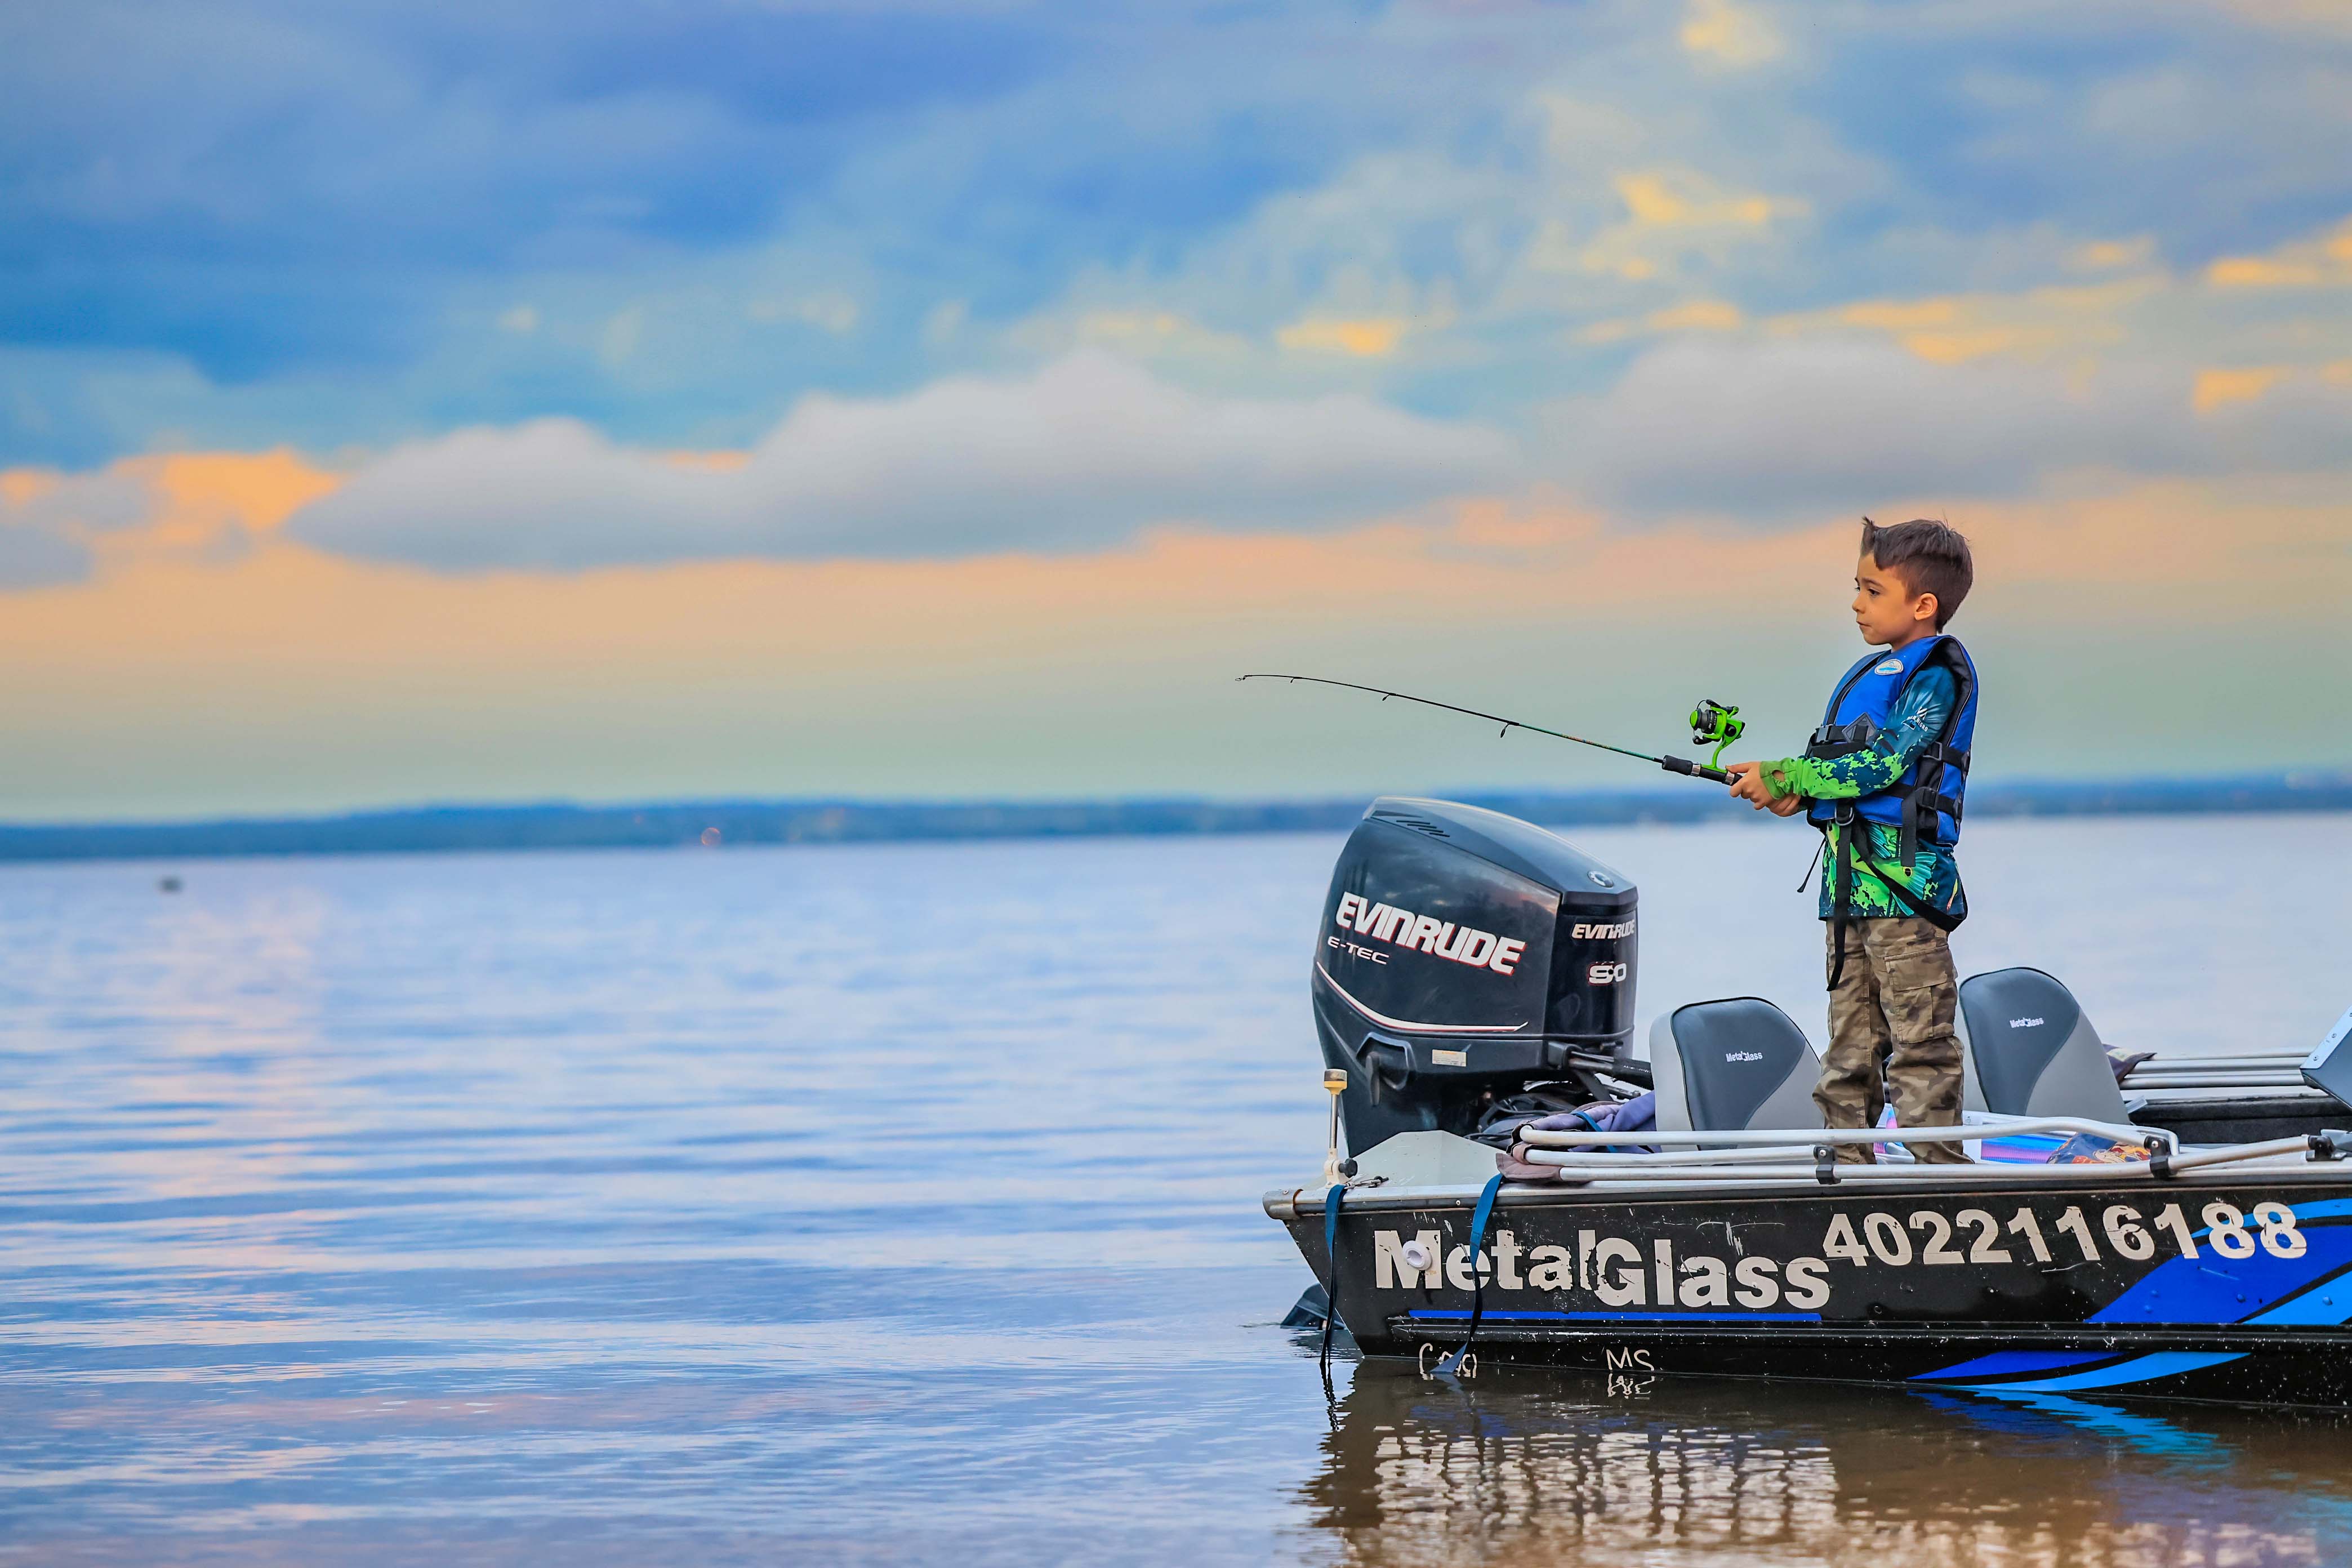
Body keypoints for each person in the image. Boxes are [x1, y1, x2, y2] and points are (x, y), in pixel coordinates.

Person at [1722, 519, 1979, 1164]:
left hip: (1904, 886)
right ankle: (1845, 1164)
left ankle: (1939, 1172)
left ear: (1923, 606)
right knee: (1850, 1045)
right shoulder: (1873, 669)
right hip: (1847, 889)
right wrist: (1794, 792)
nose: (1857, 603)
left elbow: (1887, 763)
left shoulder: (1937, 673)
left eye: (1871, 590)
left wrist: (1787, 773)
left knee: (1920, 1041)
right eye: (1856, 588)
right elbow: (1843, 774)